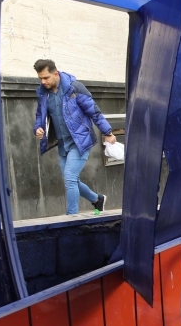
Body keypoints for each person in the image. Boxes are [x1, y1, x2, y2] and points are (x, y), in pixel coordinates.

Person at [32, 59, 117, 215]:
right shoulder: (44, 93)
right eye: (40, 78)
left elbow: (94, 112)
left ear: (55, 74)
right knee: (72, 180)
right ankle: (97, 199)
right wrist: (38, 128)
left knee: (70, 178)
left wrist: (108, 132)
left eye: (46, 78)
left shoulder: (75, 88)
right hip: (63, 145)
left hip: (80, 142)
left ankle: (71, 217)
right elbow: (40, 115)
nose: (43, 82)